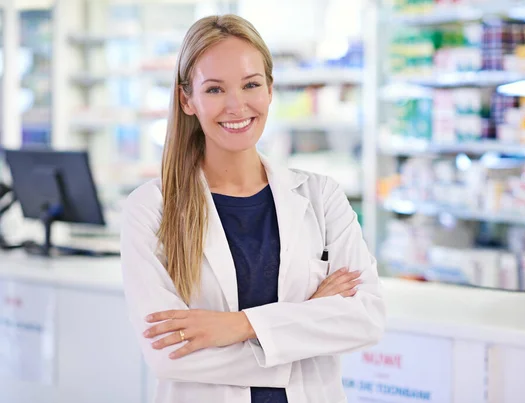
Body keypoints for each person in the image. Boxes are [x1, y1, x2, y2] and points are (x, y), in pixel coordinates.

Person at [120, 14, 385, 403]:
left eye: (251, 84)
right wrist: (307, 322)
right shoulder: (151, 208)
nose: (236, 105)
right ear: (186, 99)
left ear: (270, 89)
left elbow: (366, 319)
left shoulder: (321, 197)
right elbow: (169, 355)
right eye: (214, 89)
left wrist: (239, 326)